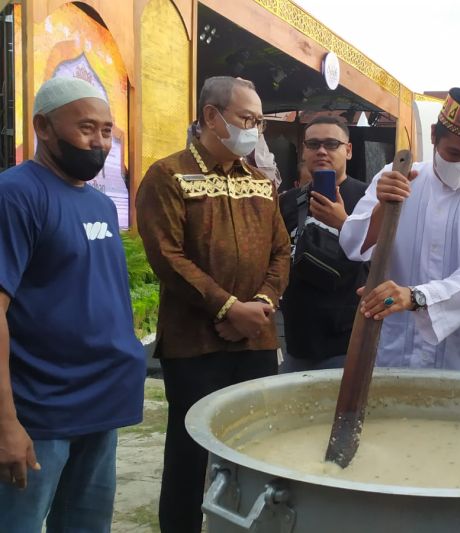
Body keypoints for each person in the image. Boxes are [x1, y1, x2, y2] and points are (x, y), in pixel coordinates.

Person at [136, 76, 291, 532]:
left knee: (254, 449)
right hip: (194, 344)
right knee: (190, 455)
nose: (254, 131)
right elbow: (166, 255)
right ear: (210, 116)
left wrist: (259, 305)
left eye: (259, 123)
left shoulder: (262, 184)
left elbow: (282, 252)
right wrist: (227, 308)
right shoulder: (168, 176)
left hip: (257, 339)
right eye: (247, 119)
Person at [0, 77, 145, 530]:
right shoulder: (16, 194)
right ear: (43, 126)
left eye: (106, 131)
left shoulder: (101, 205)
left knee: (86, 525)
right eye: (86, 128)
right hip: (40, 412)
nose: (99, 142)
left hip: (101, 405)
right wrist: (6, 423)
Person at [339, 88, 460, 371]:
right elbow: (353, 244)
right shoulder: (396, 176)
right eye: (453, 153)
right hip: (395, 341)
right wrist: (383, 206)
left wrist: (417, 297)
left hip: (458, 352)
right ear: (433, 136)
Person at [278, 116, 368, 372]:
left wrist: (345, 223)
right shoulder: (288, 201)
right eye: (313, 144)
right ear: (303, 150)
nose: (321, 151)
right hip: (297, 340)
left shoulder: (369, 199)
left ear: (348, 150)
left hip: (348, 341)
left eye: (331, 144)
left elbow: (384, 258)